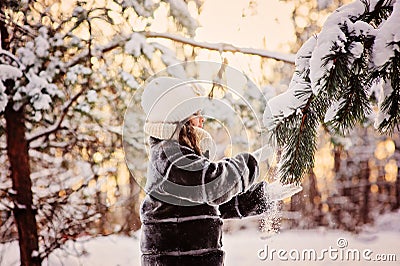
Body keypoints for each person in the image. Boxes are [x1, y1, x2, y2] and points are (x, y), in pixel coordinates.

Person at [139, 76, 302, 266]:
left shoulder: (179, 158)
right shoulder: (169, 157)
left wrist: (264, 194)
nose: (202, 120)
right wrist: (251, 163)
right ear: (180, 121)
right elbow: (212, 186)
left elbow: (215, 204)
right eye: (196, 114)